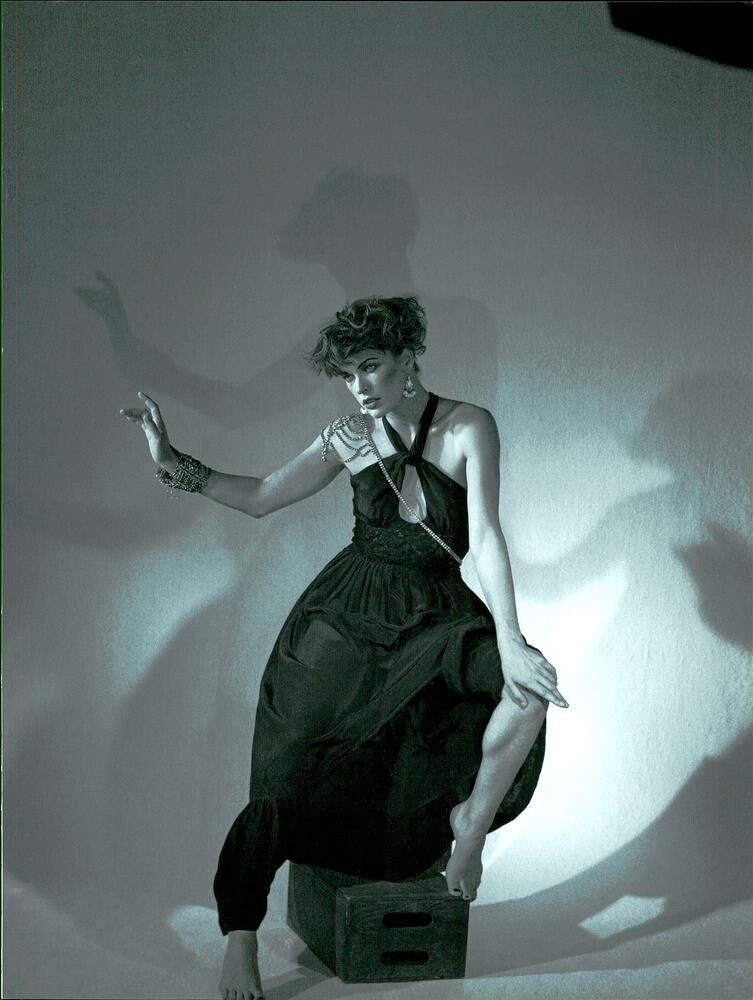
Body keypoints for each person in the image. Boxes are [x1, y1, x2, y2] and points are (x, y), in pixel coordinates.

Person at [121, 296, 568, 1000]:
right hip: (345, 615)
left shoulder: (468, 427)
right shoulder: (348, 436)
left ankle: (470, 829)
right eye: (347, 374)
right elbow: (261, 496)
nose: (359, 386)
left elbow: (484, 536)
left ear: (407, 359)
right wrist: (170, 460)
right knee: (287, 763)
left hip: (436, 617)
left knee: (529, 690)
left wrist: (510, 642)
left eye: (370, 367)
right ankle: (240, 933)